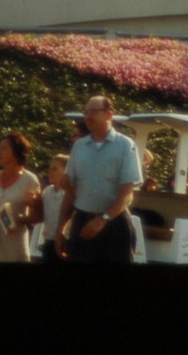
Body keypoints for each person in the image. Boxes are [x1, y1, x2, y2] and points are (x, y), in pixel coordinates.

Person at [58, 95, 142, 264]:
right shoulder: (79, 147)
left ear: (109, 114)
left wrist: (102, 219)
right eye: (86, 112)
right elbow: (70, 192)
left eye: (94, 111)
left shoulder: (125, 145)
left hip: (114, 224)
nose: (88, 117)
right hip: (83, 223)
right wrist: (59, 229)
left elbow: (127, 193)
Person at [0, 131, 42, 262]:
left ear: (16, 152)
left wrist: (21, 219)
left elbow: (38, 217)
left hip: (14, 245)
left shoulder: (29, 180)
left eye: (4, 148)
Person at [31, 154, 69, 262]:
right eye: (50, 169)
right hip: (48, 241)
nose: (50, 172)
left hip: (65, 242)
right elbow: (40, 216)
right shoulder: (47, 191)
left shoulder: (69, 193)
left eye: (55, 169)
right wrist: (34, 202)